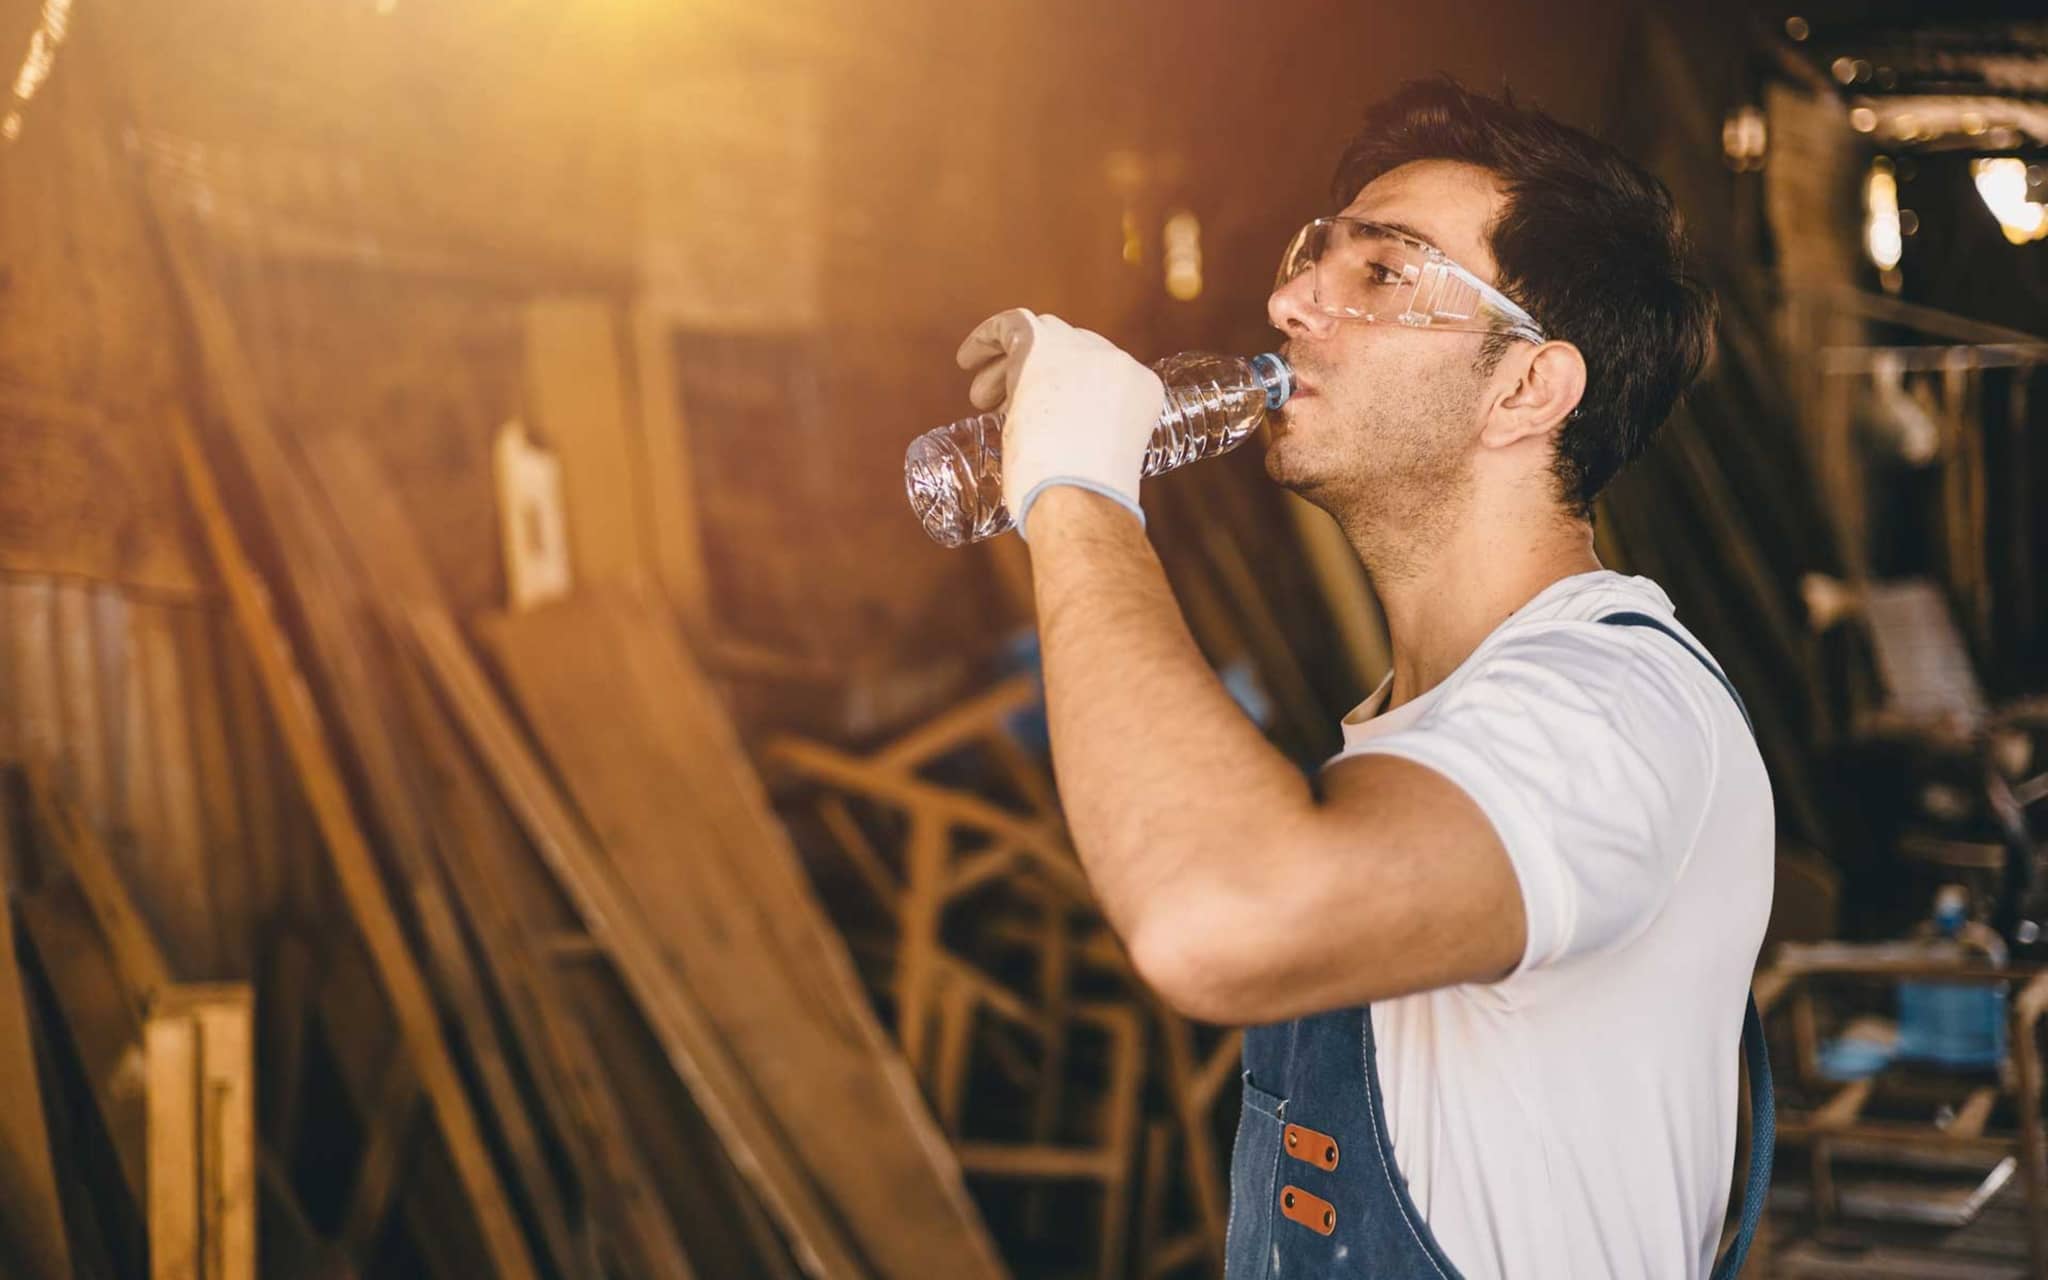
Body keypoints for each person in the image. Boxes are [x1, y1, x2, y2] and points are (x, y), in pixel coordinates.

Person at [953, 78, 1773, 1279]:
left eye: (1383, 274)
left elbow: (1215, 917)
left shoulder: (1612, 709)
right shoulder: (1416, 733)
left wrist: (1076, 490)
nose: (1289, 301)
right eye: (1310, 260)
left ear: (1525, 388)